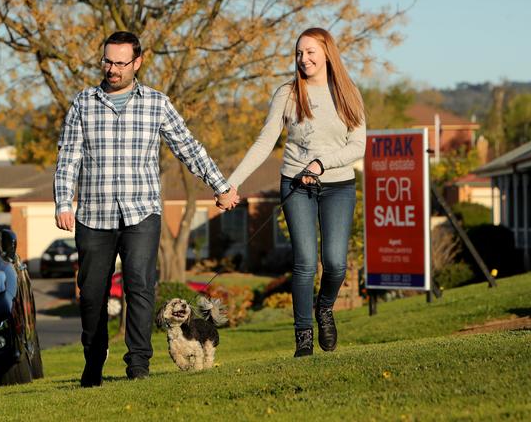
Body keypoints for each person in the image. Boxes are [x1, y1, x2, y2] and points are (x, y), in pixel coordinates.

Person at [54, 31, 239, 386]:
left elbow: (188, 146)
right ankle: (93, 362)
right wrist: (64, 202)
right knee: (92, 293)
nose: (112, 69)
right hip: (94, 214)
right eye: (107, 61)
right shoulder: (83, 103)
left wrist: (220, 186)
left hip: (142, 212)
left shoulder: (156, 103)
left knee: (140, 287)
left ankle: (138, 365)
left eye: (121, 63)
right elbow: (68, 159)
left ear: (137, 62)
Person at [227, 27, 366, 357]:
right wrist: (233, 182)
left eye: (310, 52)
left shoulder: (349, 93)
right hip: (295, 185)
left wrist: (321, 163)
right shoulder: (288, 94)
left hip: (338, 185)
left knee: (334, 263)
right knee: (304, 262)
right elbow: (265, 142)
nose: (303, 59)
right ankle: (303, 336)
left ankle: (325, 309)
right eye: (299, 53)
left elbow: (358, 145)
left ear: (327, 53)